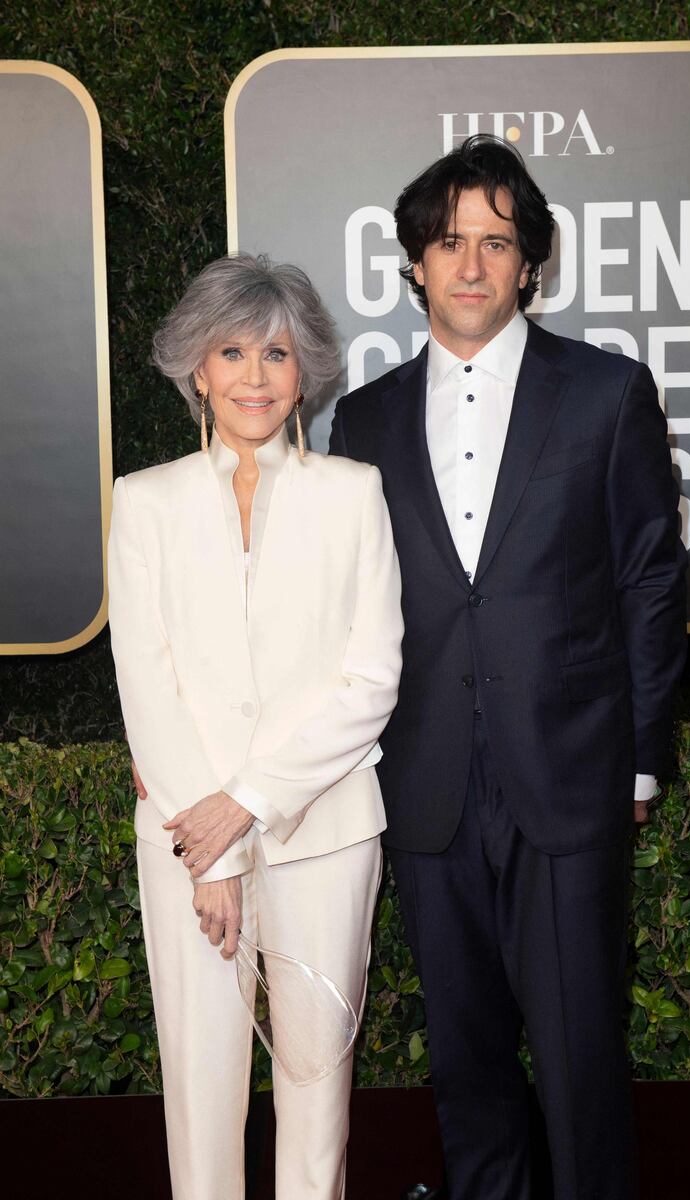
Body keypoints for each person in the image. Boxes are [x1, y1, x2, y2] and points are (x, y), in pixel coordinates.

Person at [329, 135, 687, 1200]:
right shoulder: (364, 417)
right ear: (413, 265)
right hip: (427, 786)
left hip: (571, 781)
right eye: (449, 244)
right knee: (465, 1064)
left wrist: (636, 763)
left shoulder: (605, 394)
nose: (472, 266)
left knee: (580, 1062)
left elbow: (650, 582)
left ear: (530, 262)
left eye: (495, 242)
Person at [108, 253, 403, 1200]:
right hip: (187, 844)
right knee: (200, 1084)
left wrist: (248, 804)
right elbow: (145, 680)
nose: (253, 376)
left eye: (275, 354)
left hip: (325, 832)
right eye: (231, 352)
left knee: (318, 1083)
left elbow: (372, 678)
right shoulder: (144, 502)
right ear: (197, 367)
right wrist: (217, 850)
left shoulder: (353, 492)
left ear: (303, 370)